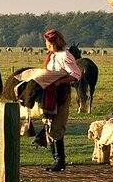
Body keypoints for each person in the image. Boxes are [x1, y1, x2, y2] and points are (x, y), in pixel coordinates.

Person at [20, 29, 82, 171]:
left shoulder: (65, 56)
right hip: (49, 93)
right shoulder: (52, 56)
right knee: (48, 123)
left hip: (60, 93)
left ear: (52, 42)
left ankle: (60, 161)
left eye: (47, 42)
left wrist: (59, 82)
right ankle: (54, 157)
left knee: (57, 125)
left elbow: (76, 75)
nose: (46, 44)